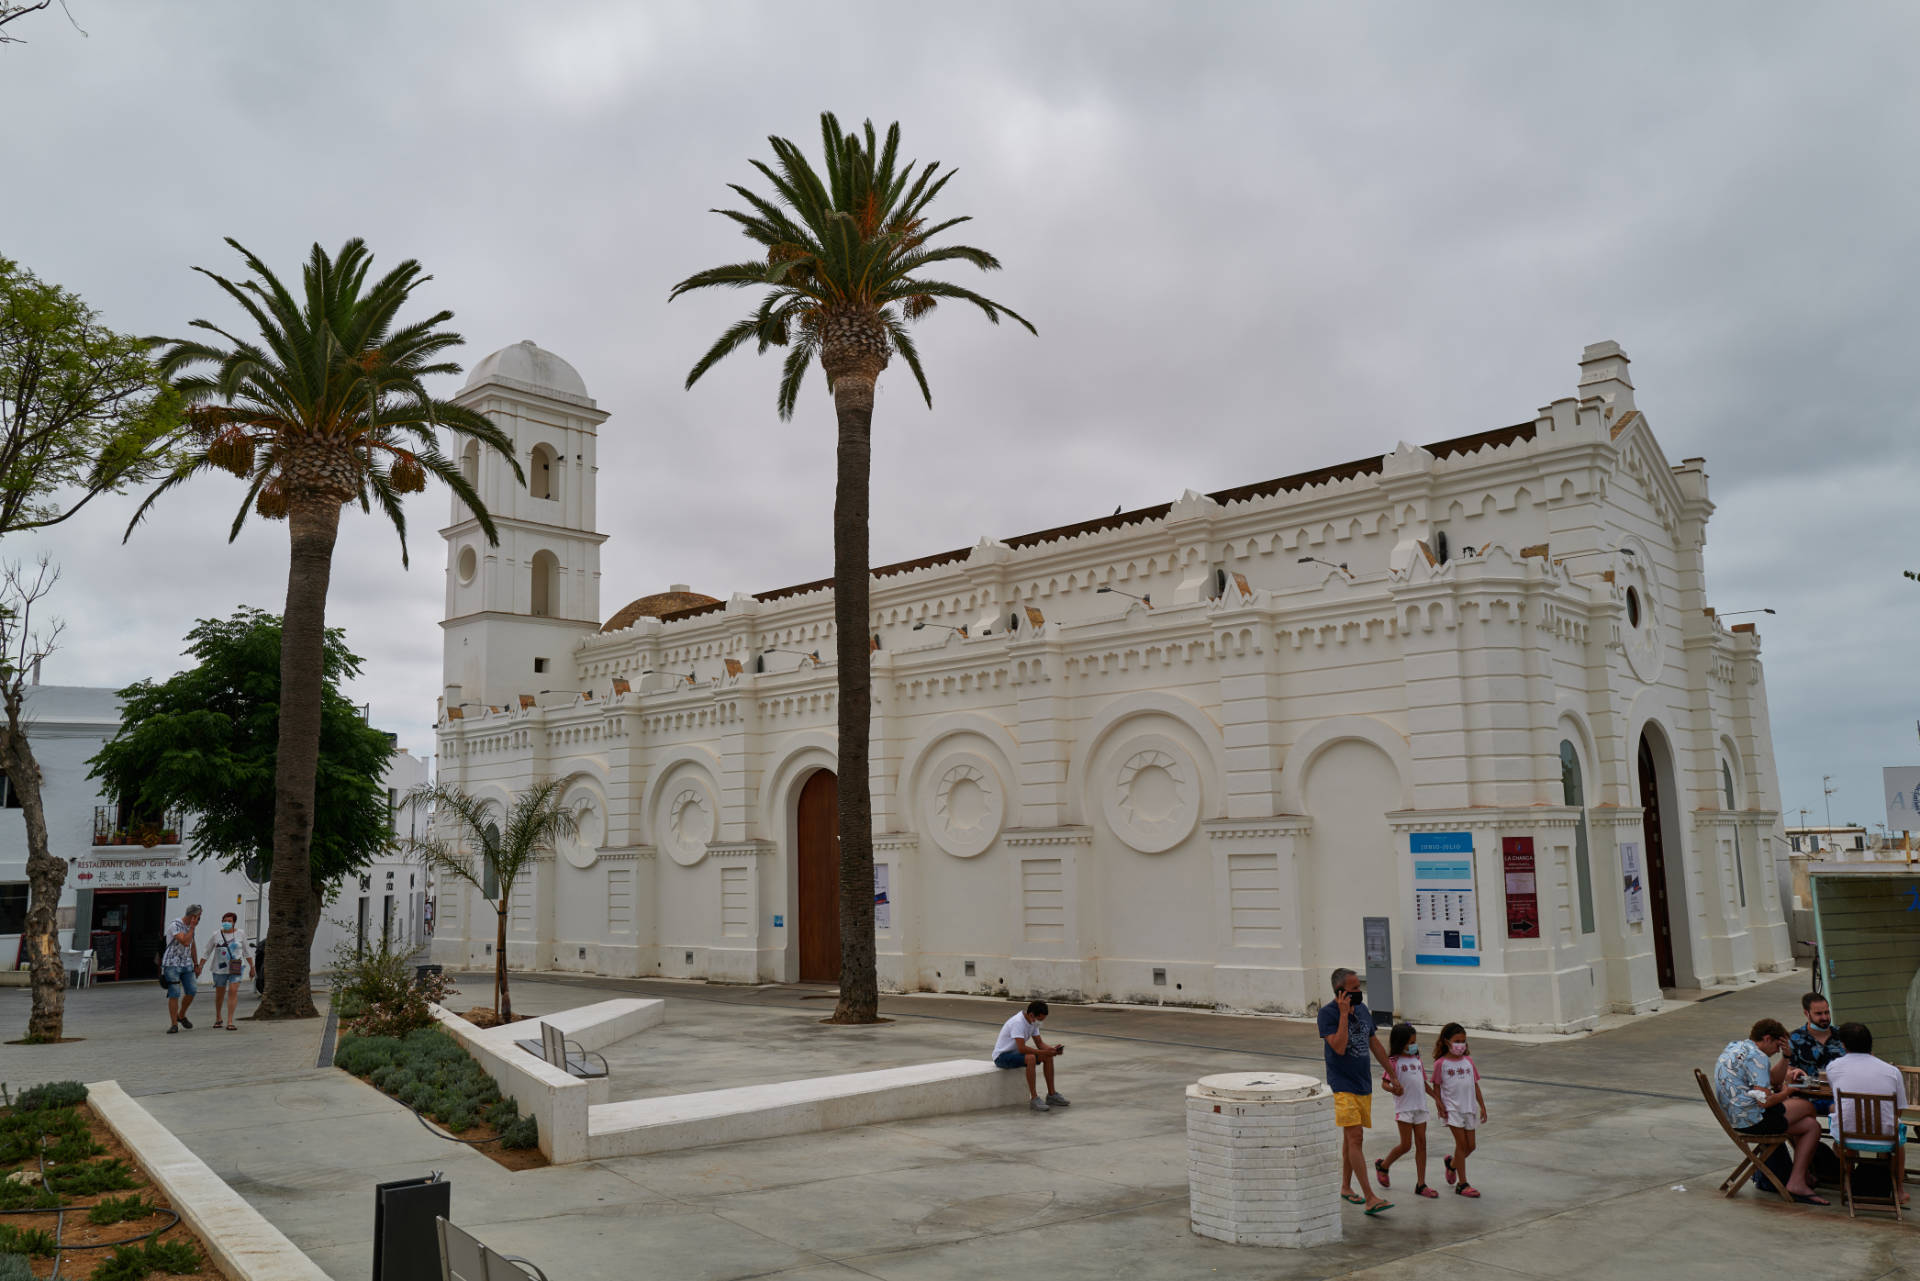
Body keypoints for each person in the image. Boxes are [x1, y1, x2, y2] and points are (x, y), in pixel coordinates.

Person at [1712, 1017, 1826, 1204]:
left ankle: (1798, 1178)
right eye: (1777, 1046)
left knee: (1811, 1126)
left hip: (1735, 1116)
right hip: (1751, 1120)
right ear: (1767, 1038)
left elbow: (1772, 1080)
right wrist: (1788, 1090)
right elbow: (1765, 1102)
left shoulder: (1737, 1047)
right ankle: (1802, 1175)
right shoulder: (1758, 1057)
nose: (1777, 1051)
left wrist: (1787, 1057)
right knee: (1807, 1107)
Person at [1319, 967, 1397, 1215]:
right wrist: (1343, 1015)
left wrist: (1392, 1074)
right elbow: (1339, 1047)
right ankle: (1370, 1196)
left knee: (1349, 1138)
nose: (1358, 993)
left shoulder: (1363, 1010)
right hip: (1342, 1085)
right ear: (1340, 991)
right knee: (1356, 1138)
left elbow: (1374, 1044)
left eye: (1358, 988)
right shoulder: (1327, 1014)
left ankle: (1345, 1186)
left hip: (1363, 1083)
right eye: (1353, 989)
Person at [1825, 1022, 1908, 1204]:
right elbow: (1899, 1109)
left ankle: (1850, 1182)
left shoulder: (1834, 1067)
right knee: (1898, 1140)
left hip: (1848, 1137)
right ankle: (1899, 1189)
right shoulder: (1892, 1071)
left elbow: (1839, 1098)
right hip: (1885, 1139)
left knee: (1841, 1117)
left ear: (1844, 1045)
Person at [1373, 1022, 1438, 1199]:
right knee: (1406, 1145)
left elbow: (1423, 1083)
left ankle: (1421, 1184)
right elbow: (1384, 1083)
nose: (1413, 1046)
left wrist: (1437, 1098)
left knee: (1422, 1145)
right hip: (1405, 1108)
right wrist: (1393, 1089)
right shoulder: (1393, 1062)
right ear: (1399, 1043)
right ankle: (1384, 1165)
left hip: (1420, 1108)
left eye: (1414, 1042)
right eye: (1409, 1043)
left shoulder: (1416, 1060)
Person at [1431, 1023, 1489, 1197]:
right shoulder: (1441, 1064)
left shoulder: (1468, 1061)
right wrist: (1439, 1104)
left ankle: (1452, 1164)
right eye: (1457, 1041)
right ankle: (1462, 1184)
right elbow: (1436, 1087)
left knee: (1471, 1147)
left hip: (1469, 1108)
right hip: (1453, 1109)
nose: (1461, 1045)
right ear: (1446, 1041)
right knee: (1461, 1145)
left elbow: (1475, 1084)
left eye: (1463, 1041)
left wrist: (1482, 1106)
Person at [993, 999, 1068, 1113]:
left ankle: (1052, 1095)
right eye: (1040, 1019)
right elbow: (1022, 1048)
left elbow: (1040, 1044)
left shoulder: (1032, 1022)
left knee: (1048, 1056)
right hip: (1002, 1056)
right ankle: (1034, 1098)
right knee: (1031, 1058)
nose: (1040, 1022)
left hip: (1015, 1053)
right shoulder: (1018, 1022)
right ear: (1032, 1015)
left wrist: (1052, 1050)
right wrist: (1044, 1052)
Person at [1787, 993, 1846, 1116]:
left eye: (1827, 1012)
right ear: (1806, 1014)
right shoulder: (1795, 1038)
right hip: (1808, 1097)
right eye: (1819, 1014)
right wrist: (1794, 1074)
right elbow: (1788, 1076)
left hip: (1840, 1095)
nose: (1825, 1017)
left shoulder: (1843, 1035)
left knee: (1842, 1111)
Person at [203, 910, 250, 1030]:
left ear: (234, 922)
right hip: (220, 968)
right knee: (220, 993)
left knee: (233, 991)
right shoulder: (216, 934)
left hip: (236, 965)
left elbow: (246, 951)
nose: (226, 923)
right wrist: (200, 965)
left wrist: (252, 967)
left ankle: (230, 1021)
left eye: (229, 921)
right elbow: (207, 951)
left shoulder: (241, 934)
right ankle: (218, 1017)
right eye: (224, 921)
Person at [161, 903, 202, 1034]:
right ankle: (174, 1024)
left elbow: (192, 945)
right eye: (198, 917)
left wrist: (196, 964)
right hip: (172, 963)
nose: (199, 920)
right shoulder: (175, 925)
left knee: (192, 990)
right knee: (174, 993)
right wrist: (192, 928)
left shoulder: (191, 928)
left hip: (186, 963)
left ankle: (181, 1015)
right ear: (192, 916)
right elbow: (185, 941)